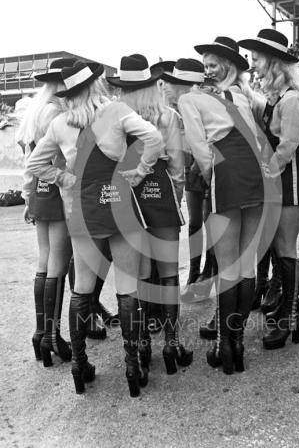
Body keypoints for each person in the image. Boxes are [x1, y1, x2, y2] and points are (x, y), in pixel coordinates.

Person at [27, 61, 163, 397]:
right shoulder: (115, 111)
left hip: (84, 211)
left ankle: (79, 364)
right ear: (94, 87)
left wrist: (66, 178)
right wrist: (141, 170)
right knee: (128, 288)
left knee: (82, 289)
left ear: (70, 93)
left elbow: (34, 165)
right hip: (119, 205)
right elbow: (154, 138)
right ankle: (132, 365)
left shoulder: (59, 123)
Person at [179, 36, 265, 374]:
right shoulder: (243, 97)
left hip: (226, 171)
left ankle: (225, 347)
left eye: (213, 64)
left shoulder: (190, 98)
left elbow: (200, 149)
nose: (208, 69)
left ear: (226, 67)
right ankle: (238, 344)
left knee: (229, 265)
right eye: (206, 65)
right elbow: (257, 139)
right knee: (245, 265)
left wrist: (211, 176)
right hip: (254, 171)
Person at [107, 54, 193, 375]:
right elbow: (177, 168)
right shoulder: (167, 116)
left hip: (128, 192)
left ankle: (143, 344)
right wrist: (176, 202)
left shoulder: (116, 116)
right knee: (168, 272)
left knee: (138, 273)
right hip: (161, 192)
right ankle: (172, 343)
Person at [239, 28, 299, 349]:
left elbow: (287, 148)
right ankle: (288, 306)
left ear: (273, 61)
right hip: (276, 177)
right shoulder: (276, 96)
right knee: (276, 245)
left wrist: (266, 173)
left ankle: (290, 317)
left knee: (285, 248)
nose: (253, 64)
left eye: (257, 58)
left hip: (288, 177)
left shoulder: (294, 98)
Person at [20, 58, 77, 367]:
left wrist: (29, 195)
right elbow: (60, 159)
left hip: (40, 189)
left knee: (45, 260)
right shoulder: (58, 112)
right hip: (56, 188)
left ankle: (41, 333)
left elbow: (28, 158)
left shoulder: (36, 109)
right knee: (58, 263)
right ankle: (52, 336)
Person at [160, 58, 217, 303]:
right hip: (193, 168)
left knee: (211, 222)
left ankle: (207, 277)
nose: (166, 87)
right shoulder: (179, 106)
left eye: (171, 82)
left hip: (213, 166)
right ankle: (194, 275)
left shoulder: (205, 101)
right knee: (195, 223)